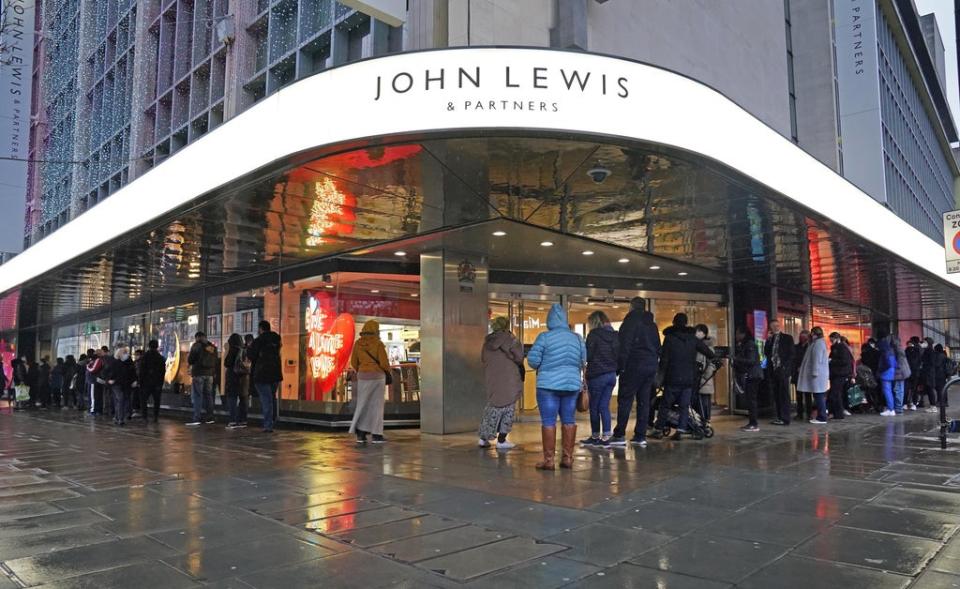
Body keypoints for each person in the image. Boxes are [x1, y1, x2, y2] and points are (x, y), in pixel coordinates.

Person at [527, 304, 586, 469]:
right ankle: (567, 458)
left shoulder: (544, 337)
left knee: (548, 421)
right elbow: (583, 360)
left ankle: (549, 461)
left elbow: (533, 361)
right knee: (569, 419)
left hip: (548, 386)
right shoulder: (577, 338)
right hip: (571, 385)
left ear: (550, 320)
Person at [653, 313, 714, 440]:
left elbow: (664, 360)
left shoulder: (669, 338)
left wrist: (660, 377)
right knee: (684, 406)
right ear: (686, 323)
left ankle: (658, 429)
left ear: (674, 323)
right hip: (688, 379)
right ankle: (680, 430)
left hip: (672, 378)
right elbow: (708, 352)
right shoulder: (692, 339)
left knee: (665, 405)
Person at [610, 297, 660, 447]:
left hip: (633, 365)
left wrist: (620, 367)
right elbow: (658, 346)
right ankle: (640, 435)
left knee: (625, 400)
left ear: (631, 307)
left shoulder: (630, 322)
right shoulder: (652, 324)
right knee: (644, 402)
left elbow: (624, 346)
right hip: (650, 366)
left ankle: (619, 434)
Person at [479, 316, 524, 449]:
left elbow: (483, 358)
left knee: (492, 408)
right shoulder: (511, 339)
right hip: (509, 378)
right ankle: (502, 440)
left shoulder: (488, 341)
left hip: (492, 378)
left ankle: (483, 438)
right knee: (508, 409)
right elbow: (519, 357)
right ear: (507, 325)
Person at [580, 311, 619, 447]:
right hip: (611, 375)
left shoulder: (593, 335)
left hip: (597, 375)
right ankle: (607, 435)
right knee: (604, 405)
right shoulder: (615, 336)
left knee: (595, 406)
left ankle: (595, 435)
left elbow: (588, 356)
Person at [348, 320, 390, 443]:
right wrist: (387, 371)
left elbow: (353, 362)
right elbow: (384, 363)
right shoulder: (378, 344)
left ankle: (360, 433)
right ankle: (376, 435)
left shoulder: (358, 344)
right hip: (377, 377)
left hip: (363, 377)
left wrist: (362, 369)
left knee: (363, 404)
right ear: (375, 330)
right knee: (376, 406)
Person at [248, 320, 282, 433]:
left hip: (262, 374)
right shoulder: (277, 339)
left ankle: (268, 425)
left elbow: (252, 355)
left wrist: (249, 347)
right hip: (275, 373)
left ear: (261, 329)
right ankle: (273, 421)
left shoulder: (259, 340)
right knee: (272, 398)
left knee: (266, 400)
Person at [764, 320, 795, 426]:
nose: (775, 328)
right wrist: (767, 340)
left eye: (777, 325)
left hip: (782, 369)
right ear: (770, 328)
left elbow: (791, 354)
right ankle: (779, 417)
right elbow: (766, 353)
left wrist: (785, 367)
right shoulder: (771, 339)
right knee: (776, 394)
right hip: (773, 369)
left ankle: (785, 418)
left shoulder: (787, 338)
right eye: (773, 326)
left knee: (784, 394)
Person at [734, 326, 762, 431]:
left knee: (751, 400)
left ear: (743, 334)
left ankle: (753, 424)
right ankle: (752, 422)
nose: (736, 336)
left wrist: (737, 359)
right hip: (752, 374)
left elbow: (751, 360)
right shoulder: (746, 344)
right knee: (751, 399)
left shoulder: (749, 345)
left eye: (737, 333)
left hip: (753, 375)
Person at [798, 327, 829, 423]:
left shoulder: (818, 344)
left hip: (817, 375)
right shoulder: (818, 343)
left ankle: (822, 417)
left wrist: (814, 372)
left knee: (818, 395)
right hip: (819, 375)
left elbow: (816, 359)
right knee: (818, 395)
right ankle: (821, 416)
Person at [186, 331, 217, 426]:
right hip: (209, 374)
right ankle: (210, 417)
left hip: (198, 373)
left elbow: (190, 360)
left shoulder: (196, 345)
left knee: (198, 395)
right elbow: (215, 360)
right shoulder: (212, 347)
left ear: (197, 337)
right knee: (209, 396)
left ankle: (197, 418)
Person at [224, 333, 250, 430]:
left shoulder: (233, 350)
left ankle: (233, 421)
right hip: (244, 378)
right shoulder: (245, 350)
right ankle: (243, 420)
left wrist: (227, 350)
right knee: (244, 399)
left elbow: (227, 363)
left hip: (233, 377)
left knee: (232, 399)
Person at [694, 324, 717, 424]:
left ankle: (705, 421)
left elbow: (712, 363)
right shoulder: (697, 345)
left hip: (704, 379)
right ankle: (702, 421)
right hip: (699, 379)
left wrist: (704, 376)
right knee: (701, 401)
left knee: (704, 401)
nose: (696, 333)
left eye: (698, 331)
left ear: (703, 333)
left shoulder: (708, 347)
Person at [827, 332, 854, 419]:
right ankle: (837, 413)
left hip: (840, 374)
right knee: (836, 394)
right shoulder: (835, 347)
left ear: (836, 338)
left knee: (834, 393)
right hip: (836, 373)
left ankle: (835, 413)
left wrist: (832, 361)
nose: (831, 341)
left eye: (832, 339)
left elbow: (845, 361)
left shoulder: (842, 348)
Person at [139, 340, 166, 422]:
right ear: (157, 346)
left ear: (149, 346)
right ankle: (155, 416)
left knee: (144, 400)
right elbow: (162, 372)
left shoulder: (145, 357)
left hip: (146, 383)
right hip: (157, 383)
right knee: (156, 400)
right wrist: (161, 383)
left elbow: (141, 371)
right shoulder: (160, 358)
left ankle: (144, 416)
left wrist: (141, 381)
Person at [877, 333, 897, 416]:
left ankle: (890, 409)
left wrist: (880, 370)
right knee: (889, 390)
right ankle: (891, 408)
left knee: (887, 390)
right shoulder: (891, 350)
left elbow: (886, 363)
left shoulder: (884, 351)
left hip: (886, 372)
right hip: (891, 371)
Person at [793, 330, 810, 420]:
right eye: (801, 336)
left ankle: (809, 413)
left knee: (807, 394)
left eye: (804, 337)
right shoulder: (796, 347)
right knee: (798, 395)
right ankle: (800, 413)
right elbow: (793, 359)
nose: (802, 338)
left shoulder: (810, 347)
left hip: (806, 374)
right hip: (797, 373)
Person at [904, 336, 922, 411]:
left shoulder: (913, 350)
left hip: (910, 372)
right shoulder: (918, 350)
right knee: (912, 389)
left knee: (909, 389)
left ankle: (909, 403)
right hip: (914, 372)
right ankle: (912, 403)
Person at [85, 348, 104, 415]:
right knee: (96, 396)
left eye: (95, 353)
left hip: (94, 380)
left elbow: (93, 369)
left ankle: (93, 410)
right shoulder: (95, 360)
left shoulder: (98, 360)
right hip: (94, 380)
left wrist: (87, 366)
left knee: (93, 396)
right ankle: (98, 410)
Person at [933, 344, 948, 412]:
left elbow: (937, 364)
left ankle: (941, 401)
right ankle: (944, 401)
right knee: (943, 388)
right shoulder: (943, 354)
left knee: (940, 389)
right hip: (943, 374)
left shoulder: (939, 355)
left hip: (939, 374)